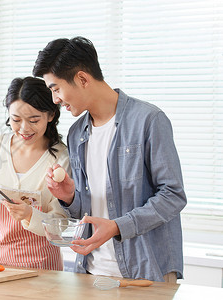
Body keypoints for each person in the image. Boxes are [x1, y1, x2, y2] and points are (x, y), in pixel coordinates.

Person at [33, 36, 187, 282]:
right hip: (91, 271)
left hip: (146, 273)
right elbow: (90, 211)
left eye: (56, 89)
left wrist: (117, 226)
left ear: (82, 79)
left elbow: (173, 195)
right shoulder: (76, 134)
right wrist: (69, 197)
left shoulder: (148, 121)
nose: (55, 100)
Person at [0, 76, 71, 270]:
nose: (24, 128)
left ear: (51, 115)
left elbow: (61, 223)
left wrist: (30, 215)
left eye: (34, 120)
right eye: (16, 120)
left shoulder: (61, 159)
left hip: (41, 267)